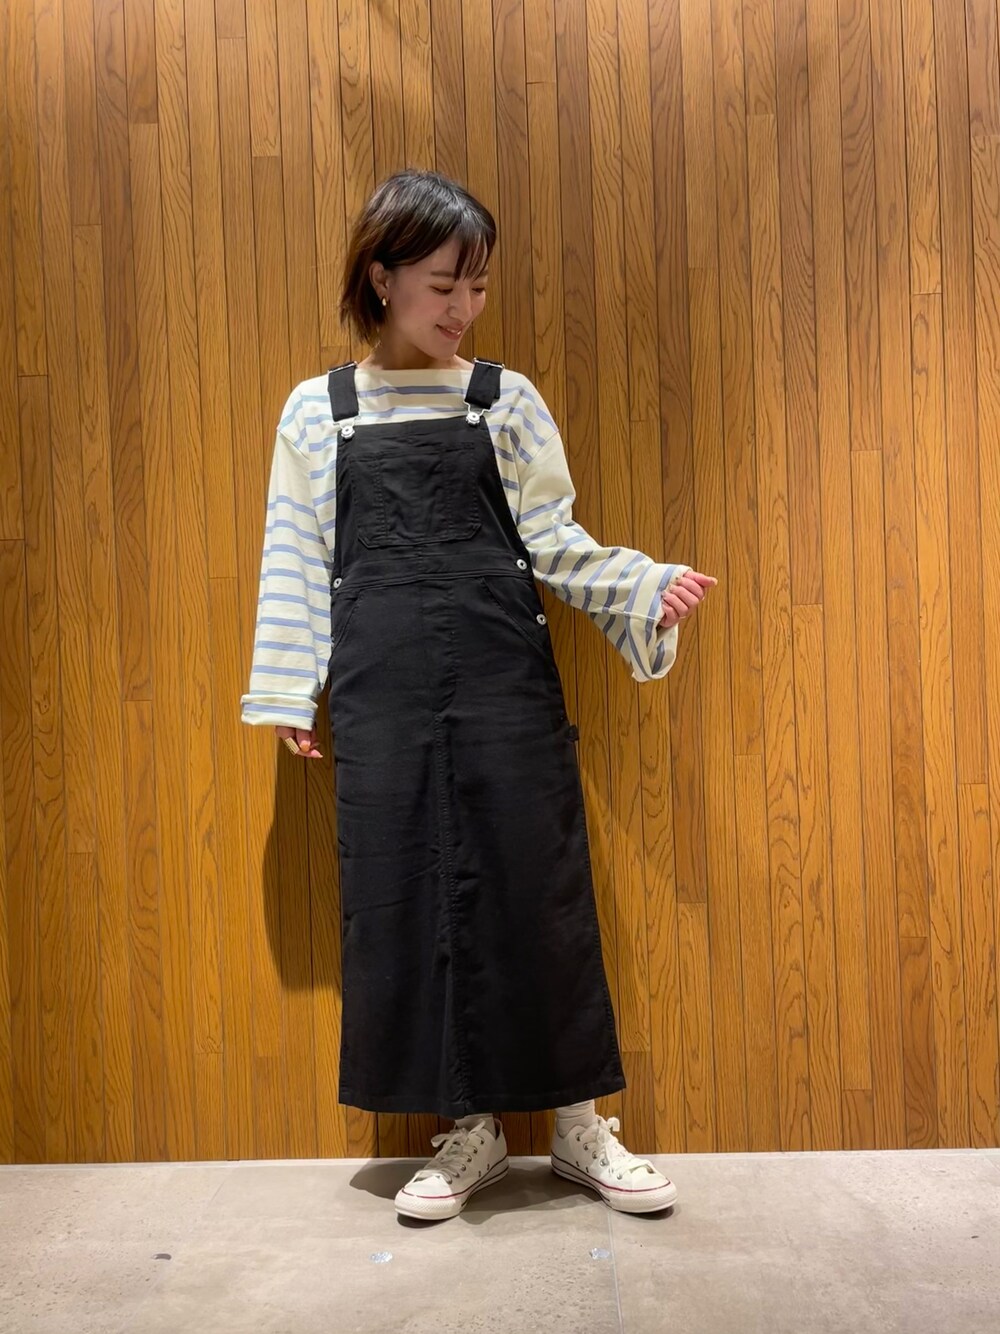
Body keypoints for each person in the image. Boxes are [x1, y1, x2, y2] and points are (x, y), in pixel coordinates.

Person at [240, 169, 715, 1223]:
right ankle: (471, 1131)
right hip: (381, 692)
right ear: (383, 276)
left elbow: (553, 540)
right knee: (405, 896)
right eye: (444, 285)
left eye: (479, 287)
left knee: (539, 888)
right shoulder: (319, 411)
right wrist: (286, 690)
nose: (464, 308)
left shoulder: (505, 399)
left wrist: (644, 588)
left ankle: (580, 1125)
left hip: (505, 679)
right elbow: (295, 555)